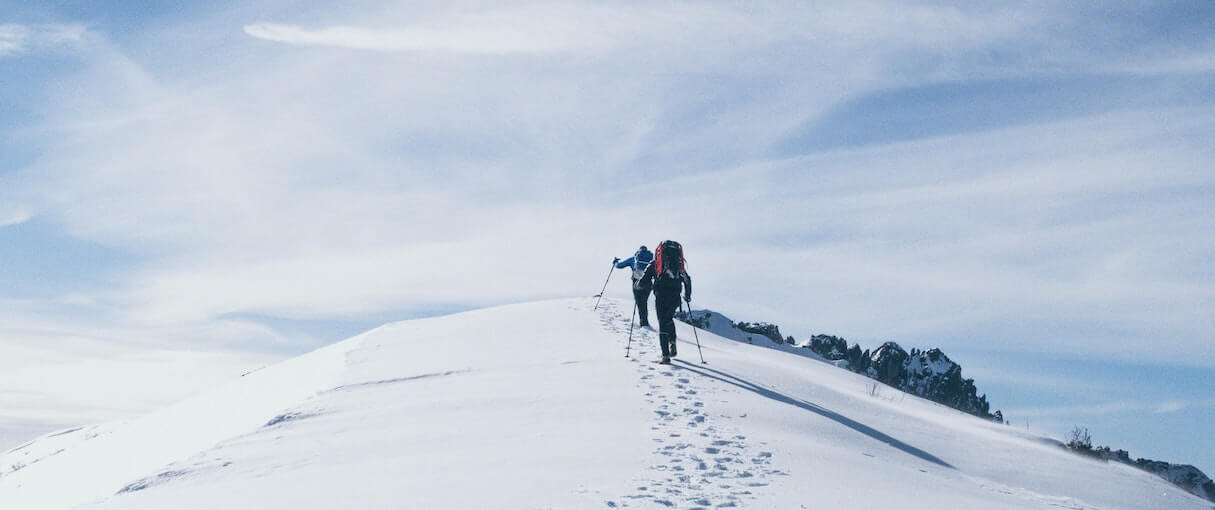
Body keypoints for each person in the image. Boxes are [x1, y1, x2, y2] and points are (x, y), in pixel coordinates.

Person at [639, 240, 692, 364]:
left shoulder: (656, 263)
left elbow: (644, 281)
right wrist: (687, 295)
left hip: (661, 296)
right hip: (675, 297)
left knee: (662, 322)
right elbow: (687, 280)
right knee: (668, 319)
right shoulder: (679, 264)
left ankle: (665, 356)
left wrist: (639, 285)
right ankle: (672, 341)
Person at [613, 245, 655, 327]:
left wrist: (615, 262)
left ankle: (644, 323)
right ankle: (644, 322)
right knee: (643, 301)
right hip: (649, 283)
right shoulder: (652, 259)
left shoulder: (634, 258)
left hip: (637, 282)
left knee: (640, 302)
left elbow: (619, 266)